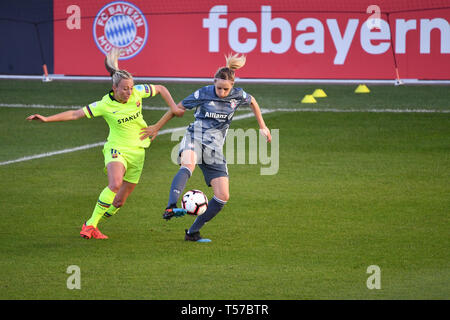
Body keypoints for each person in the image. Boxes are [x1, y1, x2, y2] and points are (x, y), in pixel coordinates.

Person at [26, 49, 181, 239]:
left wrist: (172, 107)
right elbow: (76, 114)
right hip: (116, 149)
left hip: (138, 152)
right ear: (114, 88)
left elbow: (161, 88)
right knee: (115, 183)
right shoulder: (104, 105)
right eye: (125, 88)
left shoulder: (137, 94)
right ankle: (89, 225)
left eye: (131, 88)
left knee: (118, 202)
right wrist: (47, 119)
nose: (129, 92)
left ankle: (95, 225)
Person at [139, 53, 272, 242]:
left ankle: (192, 232)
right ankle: (170, 205)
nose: (222, 92)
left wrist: (263, 126)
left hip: (214, 148)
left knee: (222, 196)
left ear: (232, 86)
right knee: (188, 166)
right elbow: (177, 109)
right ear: (213, 82)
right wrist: (156, 128)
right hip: (195, 137)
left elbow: (253, 102)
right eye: (219, 88)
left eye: (226, 89)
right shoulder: (202, 93)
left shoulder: (238, 95)